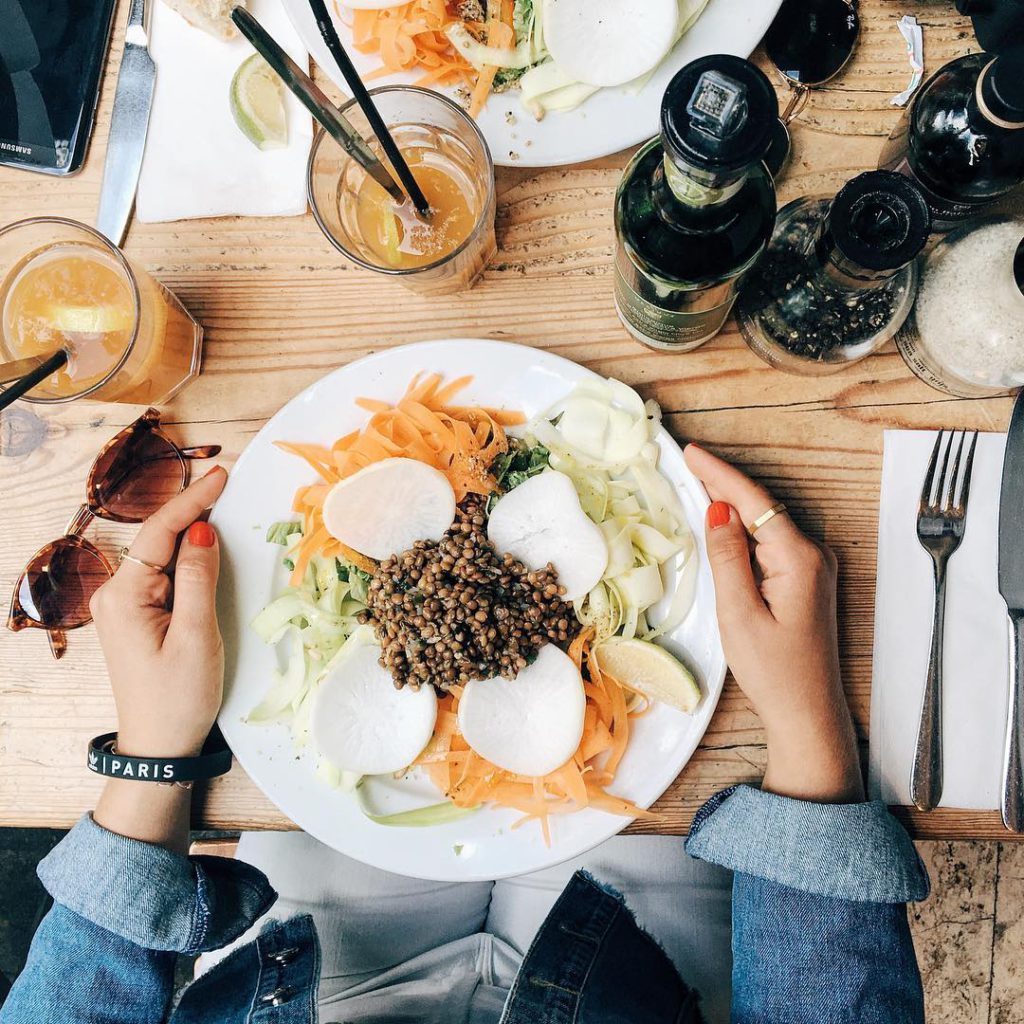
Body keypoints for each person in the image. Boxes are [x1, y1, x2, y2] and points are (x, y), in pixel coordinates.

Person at [0, 447, 929, 1024]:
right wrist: (813, 734)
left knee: (355, 779)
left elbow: (74, 1004)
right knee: (653, 767)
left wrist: (155, 757)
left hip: (325, 977)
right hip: (633, 971)